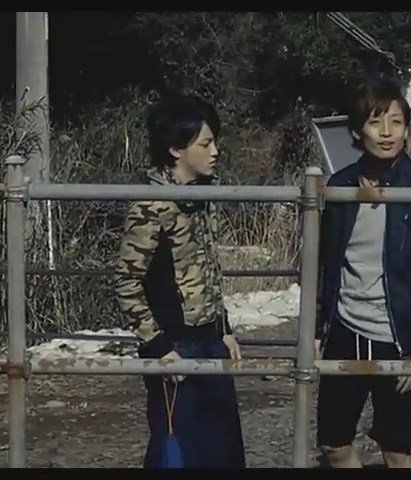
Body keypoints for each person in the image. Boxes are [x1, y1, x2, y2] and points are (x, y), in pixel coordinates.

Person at [314, 76, 411, 468]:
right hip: (345, 328)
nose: (387, 132)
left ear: (407, 128)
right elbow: (324, 263)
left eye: (396, 121)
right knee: (333, 444)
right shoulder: (340, 186)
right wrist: (315, 328)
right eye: (376, 122)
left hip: (399, 334)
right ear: (357, 131)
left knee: (396, 450)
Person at [114, 94, 246, 468]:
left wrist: (223, 328)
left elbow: (208, 268)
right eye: (205, 143)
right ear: (175, 148)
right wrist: (158, 347)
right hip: (174, 345)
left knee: (223, 451)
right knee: (176, 451)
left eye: (215, 141)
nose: (215, 152)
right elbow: (127, 282)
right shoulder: (151, 204)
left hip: (210, 340)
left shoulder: (204, 195)